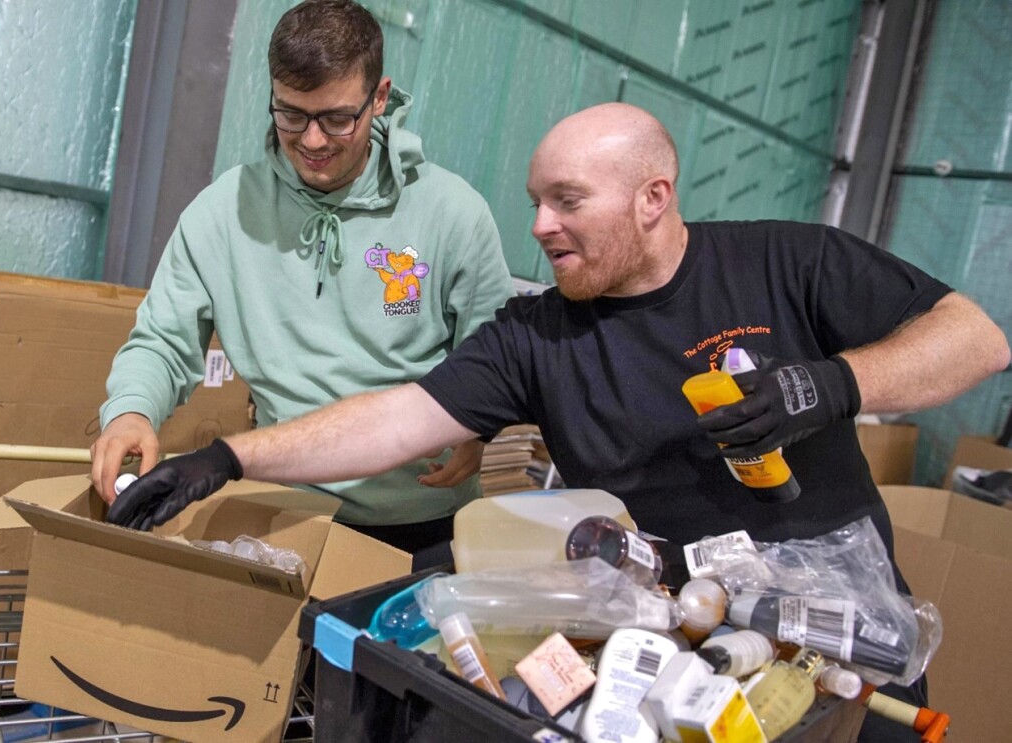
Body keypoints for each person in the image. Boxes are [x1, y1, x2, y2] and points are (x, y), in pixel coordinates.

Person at [107, 103, 1010, 741]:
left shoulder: (786, 261)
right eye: (536, 199)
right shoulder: (538, 336)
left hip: (846, 651)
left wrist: (829, 384)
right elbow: (395, 419)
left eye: (567, 200)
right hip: (678, 664)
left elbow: (975, 338)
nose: (538, 224)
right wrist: (226, 456)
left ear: (651, 197)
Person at [91, 0, 514, 561]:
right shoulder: (223, 213)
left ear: (380, 98)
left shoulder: (452, 214)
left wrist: (478, 430)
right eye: (290, 114)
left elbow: (494, 358)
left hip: (420, 524)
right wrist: (130, 411)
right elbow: (164, 341)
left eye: (337, 118)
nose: (312, 140)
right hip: (281, 512)